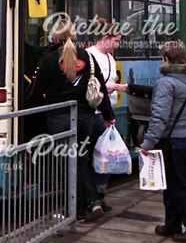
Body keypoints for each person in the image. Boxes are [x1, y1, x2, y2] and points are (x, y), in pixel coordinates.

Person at [30, 18, 114, 221]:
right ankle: (90, 205)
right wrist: (108, 114)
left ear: (54, 36)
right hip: (85, 117)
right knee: (78, 160)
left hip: (59, 118)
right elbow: (100, 87)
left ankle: (79, 208)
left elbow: (36, 91)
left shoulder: (50, 59)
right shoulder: (88, 56)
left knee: (67, 164)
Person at [140, 41, 186, 243]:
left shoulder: (165, 83)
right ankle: (172, 224)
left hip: (175, 140)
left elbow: (159, 117)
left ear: (166, 60)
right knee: (171, 184)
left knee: (179, 186)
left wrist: (148, 143)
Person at [86, 19, 128, 212]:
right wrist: (111, 87)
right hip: (94, 112)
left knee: (106, 155)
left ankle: (101, 193)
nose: (118, 45)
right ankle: (92, 195)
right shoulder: (89, 55)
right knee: (94, 155)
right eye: (116, 41)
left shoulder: (111, 58)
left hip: (107, 113)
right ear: (105, 38)